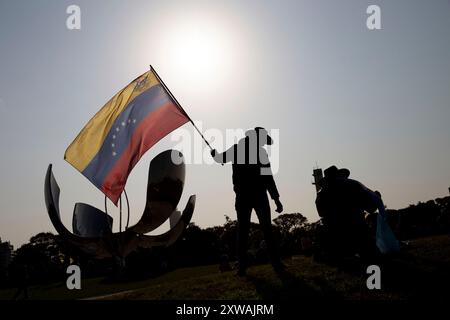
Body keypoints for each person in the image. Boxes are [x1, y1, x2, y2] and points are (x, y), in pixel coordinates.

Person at [211, 127, 284, 276]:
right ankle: (275, 264)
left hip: (244, 196)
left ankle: (242, 268)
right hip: (258, 195)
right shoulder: (259, 152)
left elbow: (221, 159)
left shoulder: (238, 149)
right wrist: (276, 199)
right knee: (265, 230)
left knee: (243, 231)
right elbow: (268, 178)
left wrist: (214, 154)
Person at [315, 166, 387, 261]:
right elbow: (370, 208)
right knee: (369, 251)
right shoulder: (354, 185)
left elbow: (321, 213)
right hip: (358, 228)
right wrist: (376, 197)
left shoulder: (322, 193)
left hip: (335, 232)